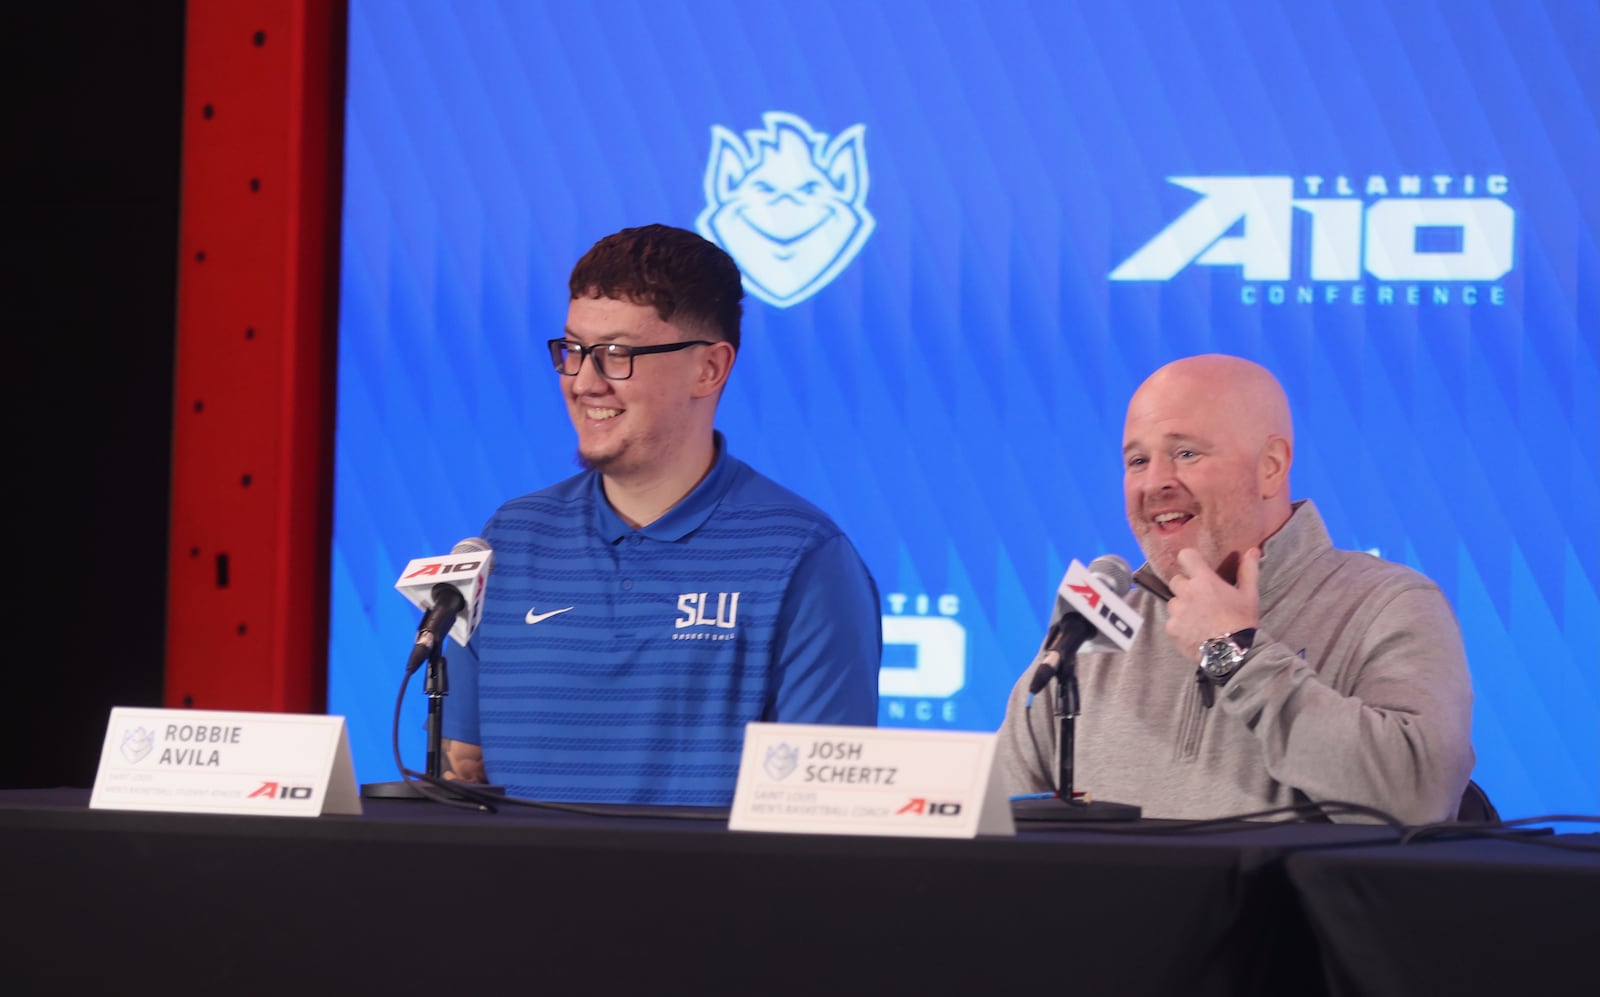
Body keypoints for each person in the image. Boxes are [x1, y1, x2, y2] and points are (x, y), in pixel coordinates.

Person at [439, 223, 881, 806]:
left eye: (617, 354)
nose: (584, 381)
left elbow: (822, 813)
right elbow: (463, 772)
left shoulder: (804, 557)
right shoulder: (511, 540)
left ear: (709, 369)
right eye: (573, 350)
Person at [996, 354, 1475, 824]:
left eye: (1186, 453)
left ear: (1270, 466)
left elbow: (1418, 799)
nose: (1155, 482)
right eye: (1138, 460)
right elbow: (994, 814)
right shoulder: (1098, 617)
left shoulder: (1388, 603)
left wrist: (1232, 653)